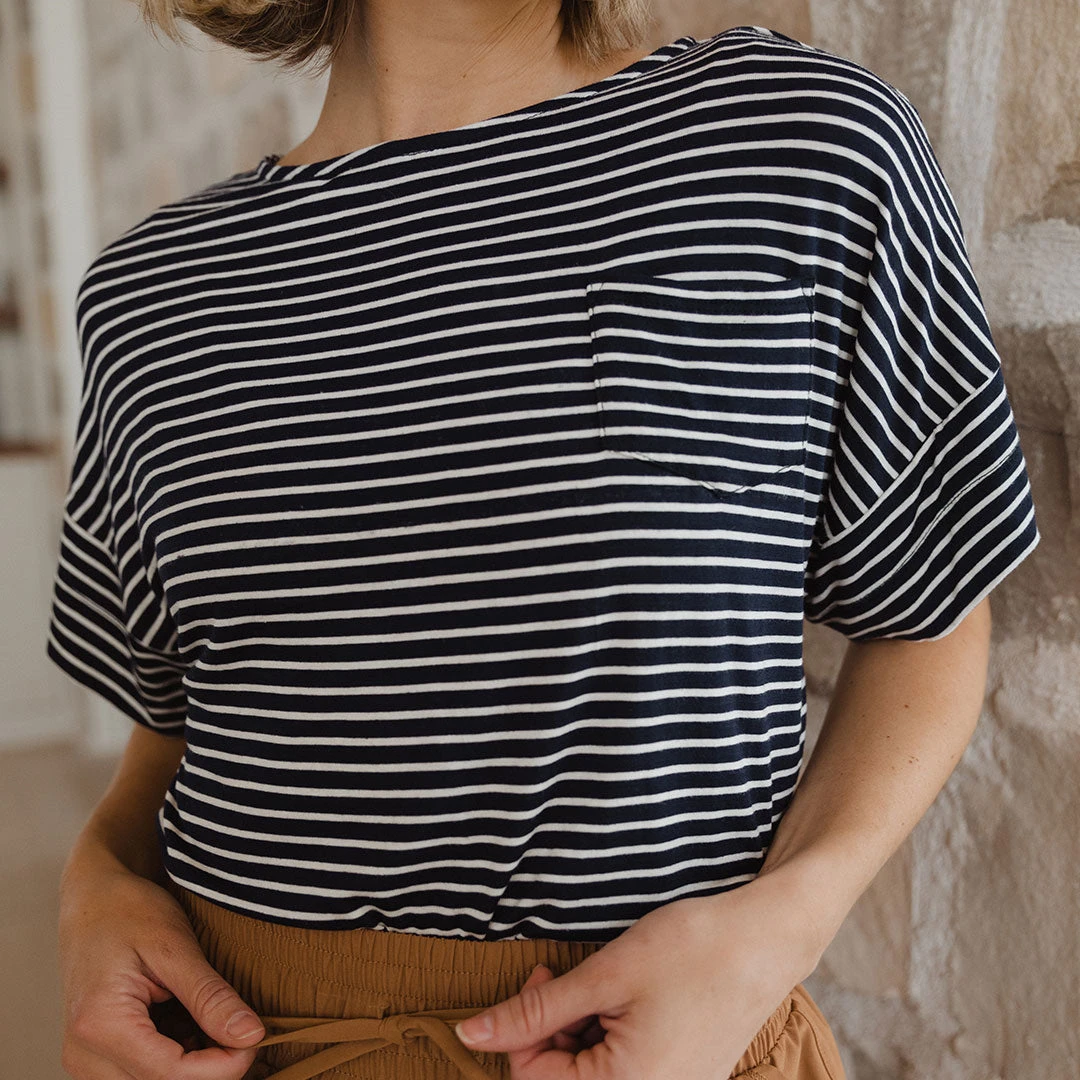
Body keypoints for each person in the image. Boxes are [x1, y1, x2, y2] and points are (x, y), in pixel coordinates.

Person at [47, 1, 1040, 1079]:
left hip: (661, 1051)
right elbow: (179, 718)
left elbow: (930, 614)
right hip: (246, 1040)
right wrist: (94, 879)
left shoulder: (792, 150)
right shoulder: (153, 297)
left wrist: (780, 933)